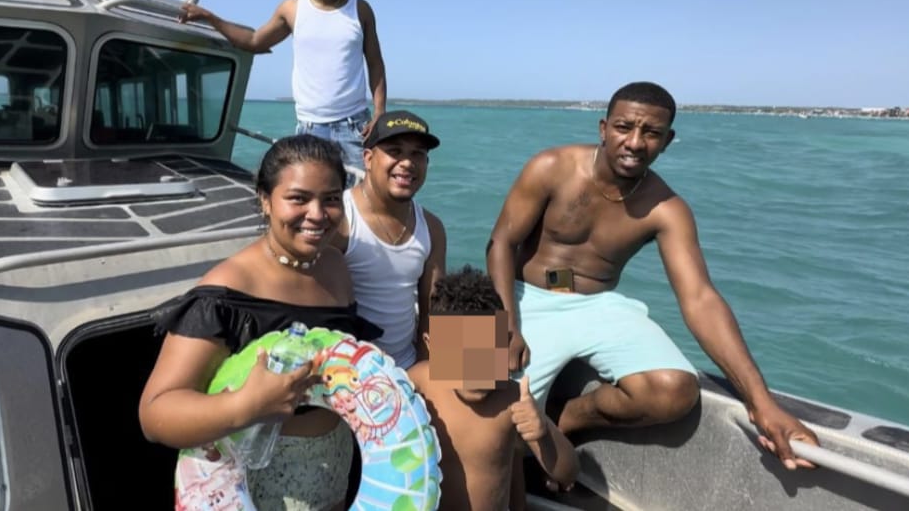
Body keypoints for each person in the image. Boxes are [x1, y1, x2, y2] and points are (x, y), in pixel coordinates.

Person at [486, 81, 820, 470]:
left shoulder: (668, 209)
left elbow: (700, 299)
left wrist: (762, 404)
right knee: (457, 391)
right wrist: (505, 323)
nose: (635, 142)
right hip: (519, 293)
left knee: (674, 391)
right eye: (624, 127)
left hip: (599, 304)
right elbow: (500, 244)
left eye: (651, 133)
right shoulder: (550, 166)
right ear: (603, 128)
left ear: (667, 140)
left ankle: (559, 421)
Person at [139, 134, 381, 511]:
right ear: (265, 200)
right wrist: (245, 406)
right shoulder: (226, 291)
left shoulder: (335, 266)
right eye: (298, 198)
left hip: (335, 466)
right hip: (254, 481)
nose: (317, 214)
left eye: (331, 199)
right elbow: (154, 414)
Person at [177, 0, 386, 176]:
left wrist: (380, 111)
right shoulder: (293, 9)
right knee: (314, 204)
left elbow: (375, 63)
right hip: (310, 130)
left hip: (355, 127)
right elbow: (255, 41)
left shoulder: (360, 10)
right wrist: (210, 18)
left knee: (360, 205)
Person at [409, 266, 579, 511]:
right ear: (433, 345)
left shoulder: (513, 399)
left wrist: (543, 432)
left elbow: (568, 472)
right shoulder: (419, 384)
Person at [332, 110, 446, 371]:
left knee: (494, 386)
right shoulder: (341, 220)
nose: (407, 163)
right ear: (368, 159)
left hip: (407, 366)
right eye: (395, 151)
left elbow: (434, 311)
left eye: (418, 154)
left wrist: (427, 374)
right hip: (349, 372)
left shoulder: (433, 227)